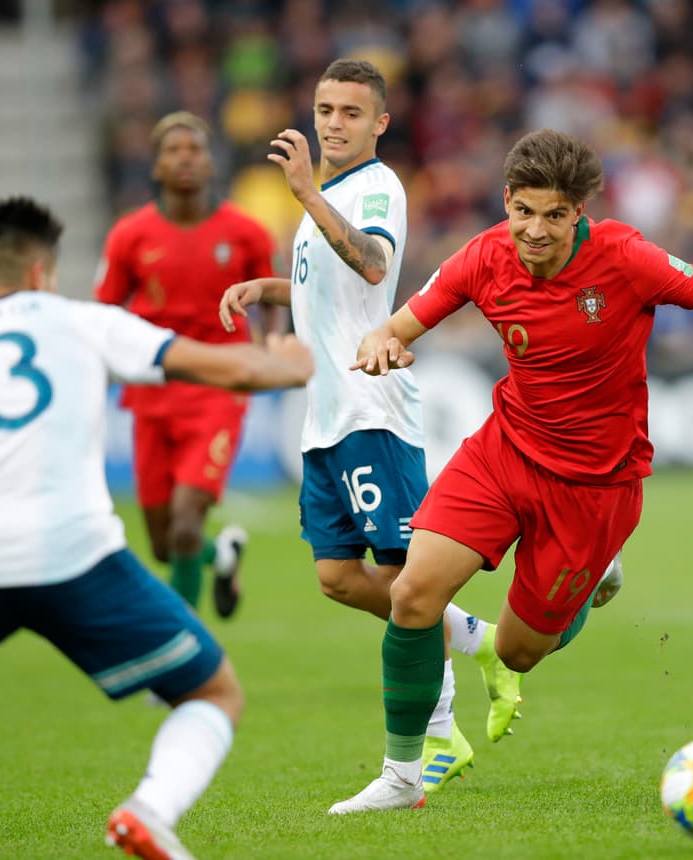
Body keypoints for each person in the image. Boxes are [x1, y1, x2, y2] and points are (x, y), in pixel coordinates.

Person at [329, 127, 693, 814]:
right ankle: (402, 779)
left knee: (520, 653)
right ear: (507, 203)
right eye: (524, 211)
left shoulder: (624, 257)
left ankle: (591, 580)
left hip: (594, 489)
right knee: (411, 596)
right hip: (504, 452)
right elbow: (397, 326)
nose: (536, 230)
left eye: (554, 215)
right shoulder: (482, 257)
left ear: (579, 210)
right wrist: (381, 344)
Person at [216, 58, 520, 792]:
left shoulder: (373, 187)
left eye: (351, 112)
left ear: (380, 122)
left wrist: (308, 195)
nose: (333, 122)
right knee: (336, 577)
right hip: (325, 418)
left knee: (405, 578)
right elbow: (333, 289)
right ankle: (478, 639)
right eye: (325, 108)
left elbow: (376, 266)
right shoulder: (325, 199)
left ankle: (440, 738)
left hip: (368, 410)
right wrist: (271, 287)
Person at [0, 196, 313, 859]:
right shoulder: (84, 322)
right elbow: (242, 369)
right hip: (77, 555)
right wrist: (294, 362)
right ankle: (148, 811)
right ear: (44, 271)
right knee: (213, 692)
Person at [95, 111, 284, 621]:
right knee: (164, 544)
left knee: (184, 523)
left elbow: (273, 295)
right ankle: (220, 556)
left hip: (221, 387)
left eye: (195, 149)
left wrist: (272, 344)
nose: (185, 158)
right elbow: (105, 314)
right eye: (173, 150)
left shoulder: (245, 232)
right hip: (152, 390)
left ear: (210, 161)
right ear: (155, 166)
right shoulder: (130, 236)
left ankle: (180, 659)